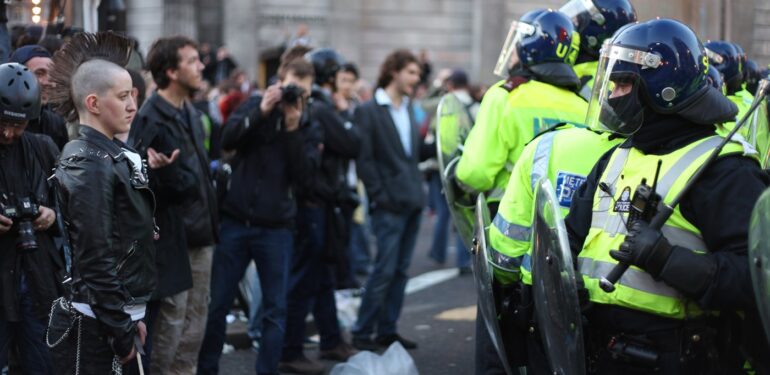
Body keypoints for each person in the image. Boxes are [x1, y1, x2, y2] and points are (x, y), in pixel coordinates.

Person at [566, 18, 770, 373]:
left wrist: (667, 260)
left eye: (622, 84)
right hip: (600, 353)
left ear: (663, 88)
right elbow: (569, 238)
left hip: (679, 358)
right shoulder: (615, 157)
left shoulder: (726, 171)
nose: (612, 95)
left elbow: (757, 281)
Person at [454, 9, 585, 374]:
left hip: (507, 229)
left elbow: (475, 172)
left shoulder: (506, 96)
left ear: (531, 48)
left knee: (497, 341)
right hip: (566, 239)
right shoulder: (583, 105)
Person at [197, 57, 315, 375]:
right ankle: (207, 370)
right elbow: (228, 139)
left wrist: (292, 128)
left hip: (277, 229)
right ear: (279, 81)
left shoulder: (307, 122)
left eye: (301, 90)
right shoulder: (255, 104)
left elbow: (305, 180)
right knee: (218, 304)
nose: (293, 95)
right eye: (290, 87)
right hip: (236, 221)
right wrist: (262, 111)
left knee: (275, 310)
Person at [47, 31, 154, 374]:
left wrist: (128, 317)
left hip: (114, 316)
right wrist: (120, 330)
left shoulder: (108, 154)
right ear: (93, 103)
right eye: (123, 97)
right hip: (97, 325)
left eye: (132, 95)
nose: (132, 105)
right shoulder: (87, 162)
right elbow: (95, 257)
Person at [128, 35, 217, 375]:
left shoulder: (189, 111)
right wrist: (161, 175)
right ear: (171, 71)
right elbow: (138, 189)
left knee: (195, 327)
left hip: (201, 234)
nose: (201, 66)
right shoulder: (150, 118)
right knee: (171, 330)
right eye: (192, 61)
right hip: (172, 241)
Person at [278, 47, 361, 374]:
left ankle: (330, 339)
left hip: (319, 202)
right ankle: (291, 349)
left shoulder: (317, 107)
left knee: (323, 274)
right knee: (305, 278)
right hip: (313, 203)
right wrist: (345, 115)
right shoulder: (323, 108)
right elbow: (353, 144)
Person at [352, 49, 432, 351]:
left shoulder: (409, 108)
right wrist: (380, 197)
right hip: (388, 206)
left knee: (400, 272)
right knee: (383, 270)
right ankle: (362, 332)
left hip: (412, 200)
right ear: (393, 72)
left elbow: (413, 154)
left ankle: (387, 329)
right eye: (411, 72)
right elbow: (365, 160)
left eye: (417, 73)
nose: (416, 78)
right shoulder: (369, 110)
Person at [0, 62, 59, 375]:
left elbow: (74, 210)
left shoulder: (43, 148)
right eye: (2, 123)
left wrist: (52, 215)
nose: (8, 133)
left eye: (18, 125)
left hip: (37, 281)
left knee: (43, 366)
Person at [559, 0, 637, 100]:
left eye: (577, 20)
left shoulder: (596, 82)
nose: (571, 24)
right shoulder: (571, 67)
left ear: (593, 37)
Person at [10, 44, 69, 150]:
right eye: (39, 73)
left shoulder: (55, 123)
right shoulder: (4, 123)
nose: (48, 82)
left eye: (51, 74)